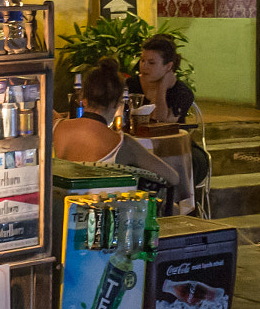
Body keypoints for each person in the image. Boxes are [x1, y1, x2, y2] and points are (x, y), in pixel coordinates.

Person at [53, 57, 186, 208]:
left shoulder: (57, 129)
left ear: (83, 98)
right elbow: (173, 178)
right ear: (117, 103)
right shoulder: (123, 143)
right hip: (107, 216)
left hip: (61, 210)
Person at [135, 34, 196, 124]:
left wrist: (162, 87)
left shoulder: (182, 93)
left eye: (151, 63)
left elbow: (160, 121)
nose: (144, 66)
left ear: (168, 66)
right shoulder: (131, 84)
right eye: (142, 60)